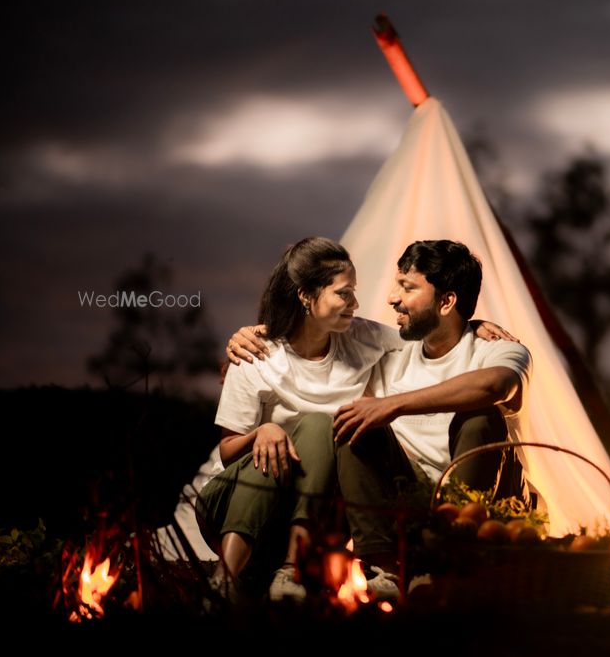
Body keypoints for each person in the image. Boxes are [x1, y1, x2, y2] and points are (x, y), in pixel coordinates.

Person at [200, 237, 510, 604]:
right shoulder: (255, 356)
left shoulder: (363, 339)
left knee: (329, 424)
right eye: (344, 294)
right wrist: (263, 432)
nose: (358, 303)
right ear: (305, 296)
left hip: (309, 512)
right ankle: (227, 577)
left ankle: (289, 568)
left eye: (354, 293)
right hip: (240, 498)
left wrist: (472, 324)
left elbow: (435, 332)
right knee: (318, 426)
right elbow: (227, 450)